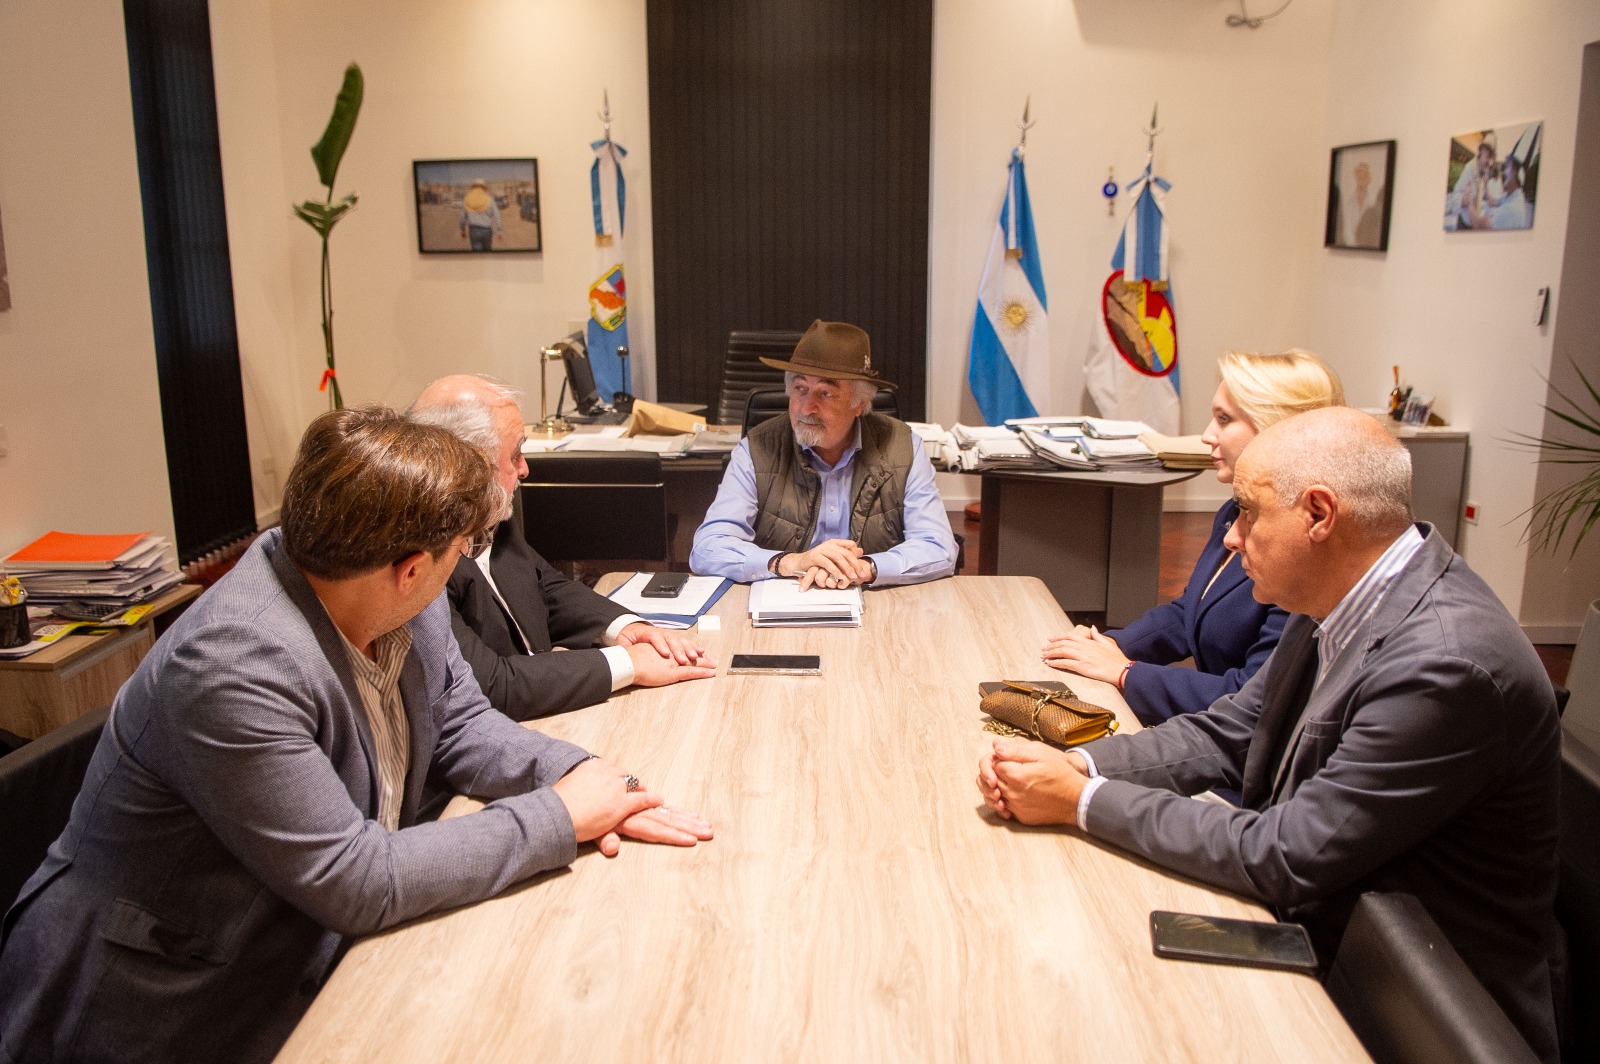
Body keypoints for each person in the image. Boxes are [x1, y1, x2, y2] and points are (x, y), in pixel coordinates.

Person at [0, 408, 712, 1064]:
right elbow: (353, 878)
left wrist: (584, 777)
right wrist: (558, 815)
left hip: (298, 949)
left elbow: (459, 721)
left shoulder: (380, 576)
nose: (462, 563)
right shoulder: (232, 666)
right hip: (166, 1002)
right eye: (461, 551)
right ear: (412, 570)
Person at [979, 407, 1561, 1061]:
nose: (1230, 538)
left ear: (1319, 515)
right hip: (1336, 933)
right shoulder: (1343, 591)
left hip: (1412, 1013)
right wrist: (1084, 765)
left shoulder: (1445, 666)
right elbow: (1231, 730)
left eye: (1248, 514)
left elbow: (1285, 854)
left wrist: (1079, 802)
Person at [1041, 349, 1343, 726]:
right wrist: (1112, 644)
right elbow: (1189, 611)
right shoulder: (1234, 512)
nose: (1207, 435)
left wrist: (1126, 673)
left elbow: (1251, 699)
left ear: (1275, 429)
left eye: (1224, 419)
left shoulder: (1303, 547)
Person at [409, 375, 715, 720]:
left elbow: (545, 585)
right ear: (469, 464)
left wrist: (625, 628)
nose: (524, 469)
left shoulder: (486, 508)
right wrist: (628, 663)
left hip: (548, 707)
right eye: (515, 455)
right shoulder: (420, 556)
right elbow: (490, 686)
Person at [690, 319, 958, 590]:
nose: (807, 408)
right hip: (783, 599)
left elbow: (939, 547)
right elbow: (707, 548)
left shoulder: (904, 447)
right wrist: (790, 562)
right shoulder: (756, 449)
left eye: (825, 393)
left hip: (874, 602)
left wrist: (864, 568)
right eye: (800, 389)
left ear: (860, 403)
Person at [459, 178, 504, 250]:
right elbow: (497, 216)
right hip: (487, 230)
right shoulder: (489, 199)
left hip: (474, 231)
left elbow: (462, 217)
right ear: (484, 188)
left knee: (477, 254)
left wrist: (463, 230)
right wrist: (499, 231)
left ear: (473, 187)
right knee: (487, 252)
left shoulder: (467, 199)